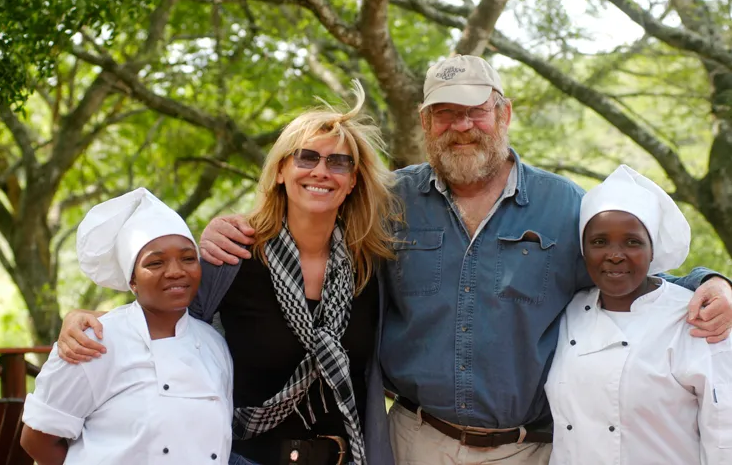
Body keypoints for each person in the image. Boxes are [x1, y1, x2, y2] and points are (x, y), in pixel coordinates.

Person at [198, 55, 732, 464]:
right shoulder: (389, 201)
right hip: (413, 440)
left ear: (503, 113)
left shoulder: (563, 204)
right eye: (445, 114)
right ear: (426, 124)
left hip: (529, 449)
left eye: (476, 110)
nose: (463, 125)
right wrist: (227, 230)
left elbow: (625, 270)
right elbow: (311, 214)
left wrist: (710, 280)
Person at [56, 81, 398, 465]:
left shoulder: (370, 267)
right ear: (281, 171)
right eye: (306, 158)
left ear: (353, 181)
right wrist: (87, 321)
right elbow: (160, 327)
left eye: (338, 162)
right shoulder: (232, 258)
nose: (321, 171)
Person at [20, 188, 234, 465]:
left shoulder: (213, 344)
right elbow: (36, 439)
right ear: (132, 281)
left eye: (188, 258)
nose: (176, 271)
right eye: (155, 263)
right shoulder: (94, 341)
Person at [545, 165, 732, 464]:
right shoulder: (569, 312)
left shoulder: (697, 317)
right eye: (599, 242)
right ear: (582, 250)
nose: (615, 254)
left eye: (632, 242)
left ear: (652, 250)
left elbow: (724, 436)